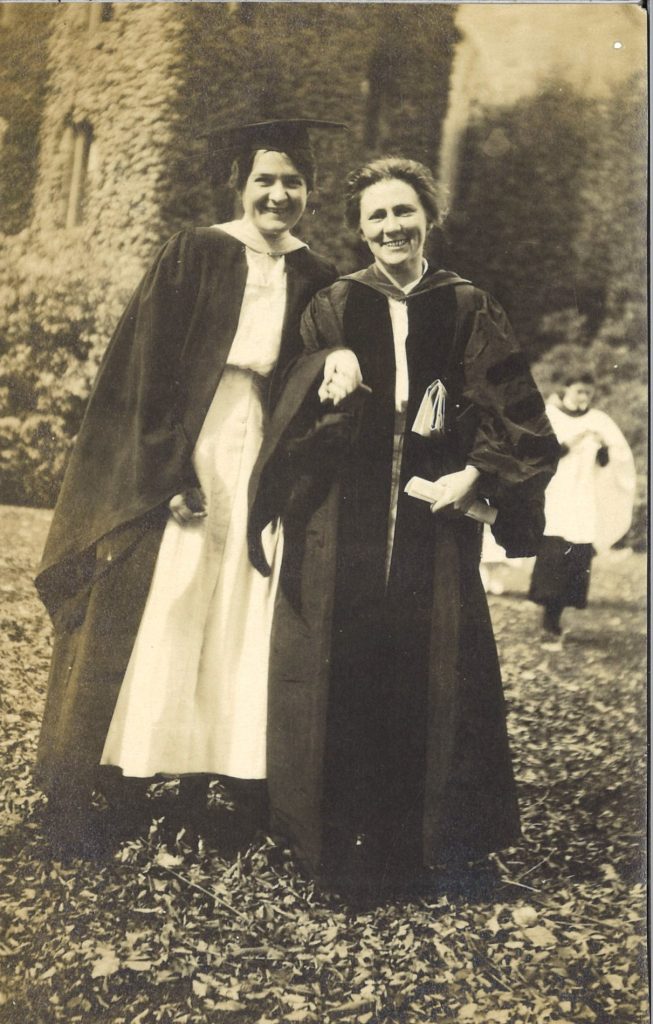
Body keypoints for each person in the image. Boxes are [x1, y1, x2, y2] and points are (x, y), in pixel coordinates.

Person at [248, 157, 560, 898]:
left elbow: (513, 411)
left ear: (429, 216)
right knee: (340, 662)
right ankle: (335, 845)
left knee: (432, 669)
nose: (391, 227)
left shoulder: (468, 305)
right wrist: (329, 362)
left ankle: (432, 843)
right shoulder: (332, 303)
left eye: (402, 212)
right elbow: (290, 402)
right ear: (359, 231)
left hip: (435, 515)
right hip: (339, 523)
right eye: (376, 218)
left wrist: (474, 476)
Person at [35, 118, 344, 856]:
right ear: (239, 186)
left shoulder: (317, 275)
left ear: (309, 190)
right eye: (264, 180)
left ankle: (225, 781)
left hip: (263, 453)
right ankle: (127, 774)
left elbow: (318, 361)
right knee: (168, 600)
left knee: (239, 607)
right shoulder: (196, 253)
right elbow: (147, 369)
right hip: (190, 448)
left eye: (292, 181)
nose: (278, 194)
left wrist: (341, 357)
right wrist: (168, 471)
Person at [529, 372, 635, 643]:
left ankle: (556, 620)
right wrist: (572, 442)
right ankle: (548, 623)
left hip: (583, 498)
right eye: (579, 391)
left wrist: (602, 448)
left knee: (576, 557)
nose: (584, 398)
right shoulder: (551, 416)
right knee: (554, 555)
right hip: (557, 496)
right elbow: (540, 453)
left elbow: (608, 462)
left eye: (588, 393)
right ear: (566, 389)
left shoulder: (599, 420)